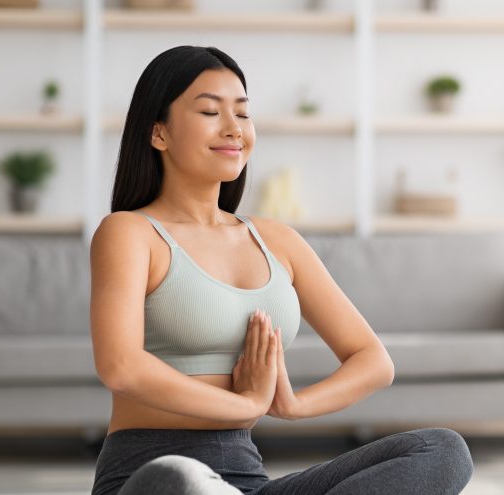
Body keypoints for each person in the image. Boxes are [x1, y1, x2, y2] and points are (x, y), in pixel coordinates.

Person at [88, 45, 473, 495]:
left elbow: (373, 361)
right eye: (211, 111)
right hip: (148, 471)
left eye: (244, 114)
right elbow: (121, 368)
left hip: (247, 479)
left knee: (441, 450)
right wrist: (245, 403)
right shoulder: (129, 233)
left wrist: (292, 404)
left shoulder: (276, 240)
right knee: (174, 479)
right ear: (158, 133)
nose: (234, 129)